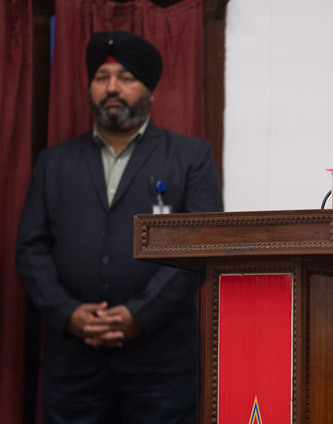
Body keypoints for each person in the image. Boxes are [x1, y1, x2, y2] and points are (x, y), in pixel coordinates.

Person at [16, 30, 223, 424]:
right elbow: (31, 248)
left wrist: (138, 315)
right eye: (101, 77)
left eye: (126, 78)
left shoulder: (190, 158)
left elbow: (199, 248)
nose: (112, 87)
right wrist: (69, 313)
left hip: (161, 361)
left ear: (150, 90)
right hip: (74, 359)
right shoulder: (54, 162)